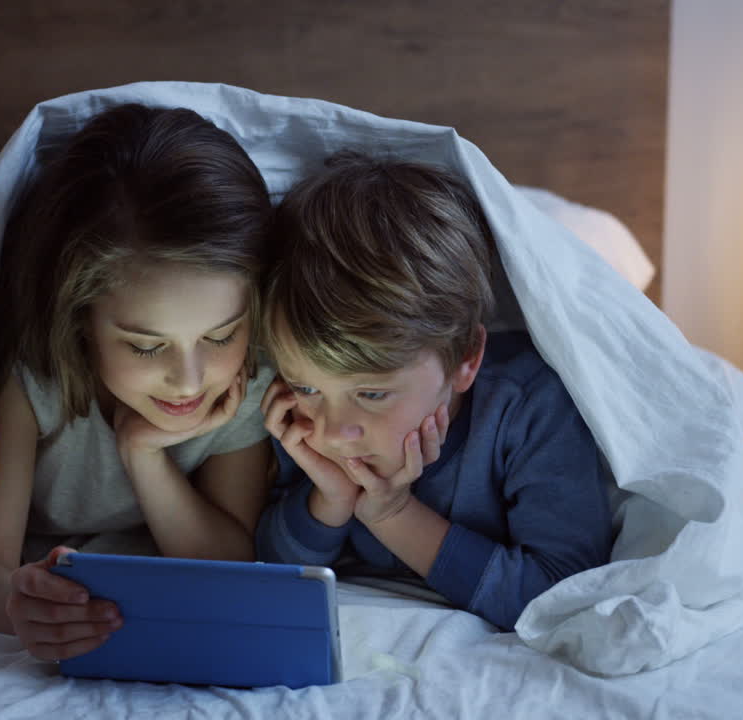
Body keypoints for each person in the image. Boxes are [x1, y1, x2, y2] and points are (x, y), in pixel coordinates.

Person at [0, 104, 276, 661]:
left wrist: (143, 452)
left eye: (220, 335)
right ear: (81, 319)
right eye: (146, 344)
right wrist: (19, 615)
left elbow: (228, 565)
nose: (189, 379)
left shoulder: (241, 377)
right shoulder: (32, 379)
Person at [256, 152, 613, 630]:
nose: (335, 433)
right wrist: (330, 499)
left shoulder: (529, 407)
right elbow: (264, 575)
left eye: (372, 394)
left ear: (466, 358)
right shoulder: (299, 421)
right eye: (307, 386)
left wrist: (395, 514)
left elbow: (564, 596)